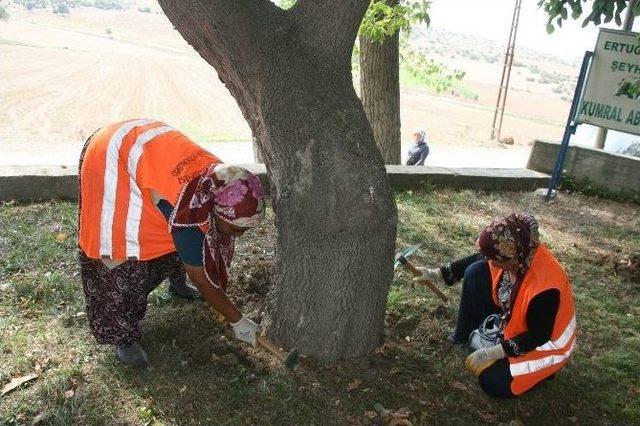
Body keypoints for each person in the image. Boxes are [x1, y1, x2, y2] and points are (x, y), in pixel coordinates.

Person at [77, 119, 266, 367]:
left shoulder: (224, 182)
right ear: (218, 213)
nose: (239, 235)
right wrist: (238, 321)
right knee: (120, 252)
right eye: (236, 228)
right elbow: (203, 278)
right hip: (113, 156)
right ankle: (123, 337)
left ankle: (177, 283)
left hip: (146, 151)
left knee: (172, 236)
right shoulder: (188, 214)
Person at [413, 213, 576, 397]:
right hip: (518, 321)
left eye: (495, 259)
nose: (490, 262)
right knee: (475, 271)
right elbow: (477, 258)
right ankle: (465, 335)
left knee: (492, 381)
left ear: (511, 257)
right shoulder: (516, 250)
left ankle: (543, 373)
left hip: (546, 344)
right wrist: (434, 274)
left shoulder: (545, 288)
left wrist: (493, 353)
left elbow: (538, 336)